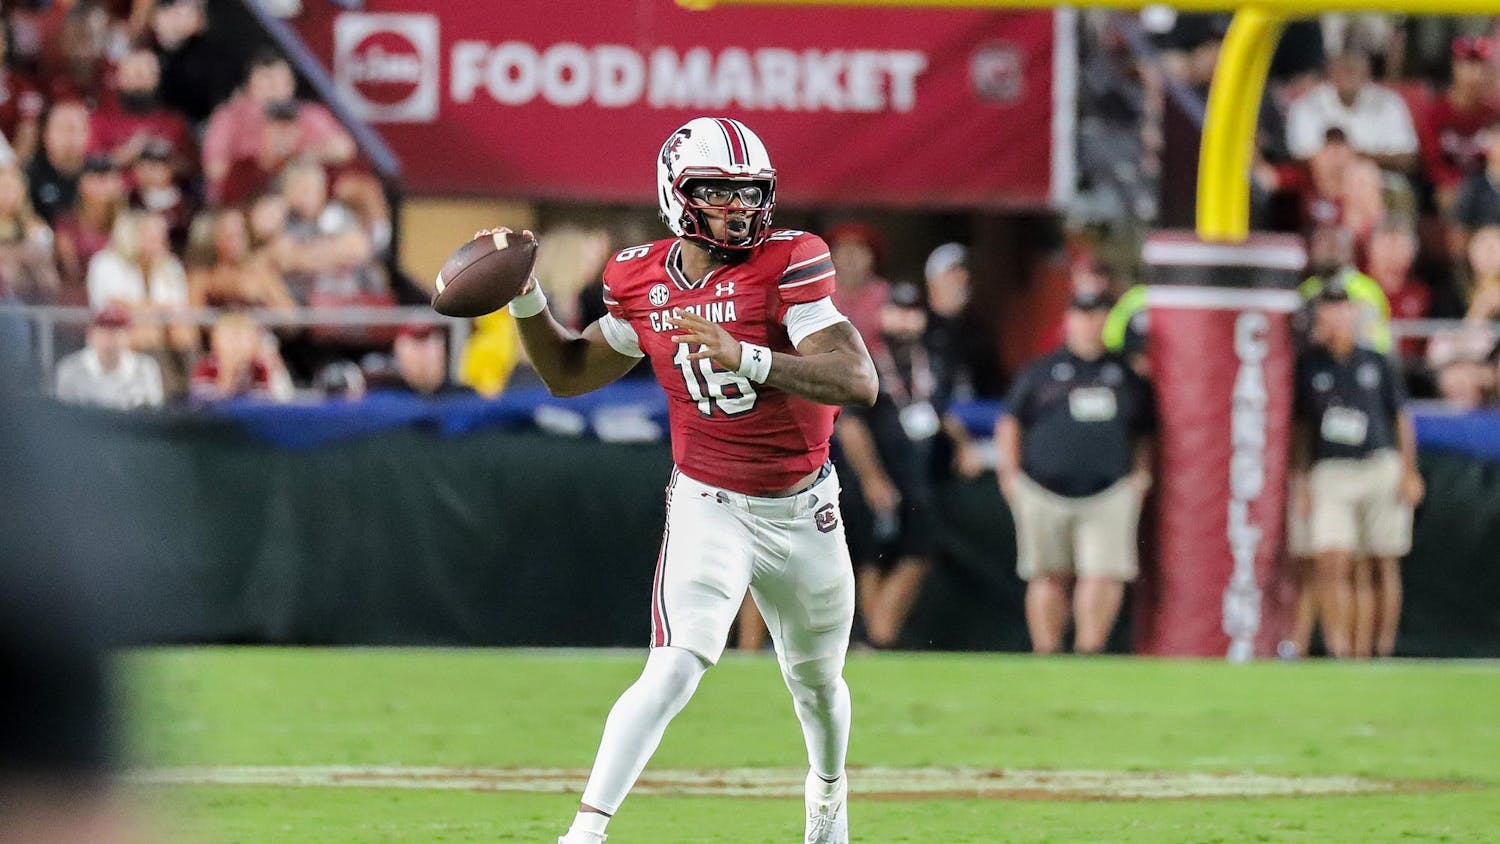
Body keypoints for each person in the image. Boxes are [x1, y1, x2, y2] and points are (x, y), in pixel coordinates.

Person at [504, 117, 876, 844]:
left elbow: (857, 380)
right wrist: (524, 300)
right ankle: (584, 832)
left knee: (818, 687)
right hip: (711, 502)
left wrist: (751, 357)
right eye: (718, 194)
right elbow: (570, 372)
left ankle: (828, 796)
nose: (738, 211)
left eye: (750, 195)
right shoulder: (637, 277)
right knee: (675, 663)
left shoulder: (791, 262)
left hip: (804, 507)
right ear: (677, 197)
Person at [995, 291, 1155, 655]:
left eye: (1098, 314)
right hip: (1042, 488)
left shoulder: (1127, 374)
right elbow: (1010, 423)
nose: (1090, 323)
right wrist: (1010, 475)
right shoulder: (1040, 371)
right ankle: (1047, 651)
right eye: (1083, 314)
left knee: (1103, 573)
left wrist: (1141, 478)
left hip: (1109, 491)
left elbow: (1146, 432)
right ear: (1069, 320)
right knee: (1046, 574)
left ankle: (1089, 651)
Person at [1292, 281, 1423, 659]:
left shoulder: (1376, 360)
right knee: (1333, 559)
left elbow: (1400, 418)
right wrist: (1301, 481)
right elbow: (1301, 429)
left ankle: (1378, 649)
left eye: (1343, 308)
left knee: (1378, 561)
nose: (1338, 317)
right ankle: (1340, 647)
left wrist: (1408, 470)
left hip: (1377, 464)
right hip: (1331, 468)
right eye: (1329, 310)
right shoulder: (1309, 364)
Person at [837, 282, 943, 649]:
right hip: (874, 476)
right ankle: (876, 637)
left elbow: (938, 413)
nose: (905, 320)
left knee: (916, 552)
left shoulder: (931, 362)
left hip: (917, 479)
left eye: (912, 312)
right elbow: (849, 424)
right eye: (897, 310)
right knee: (869, 557)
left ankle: (878, 637)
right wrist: (872, 479)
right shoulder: (867, 361)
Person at [201, 49, 355, 204]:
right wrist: (257, 161)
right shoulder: (229, 115)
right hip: (245, 196)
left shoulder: (308, 113)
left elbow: (344, 148)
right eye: (266, 80)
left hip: (298, 194)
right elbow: (214, 168)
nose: (273, 87)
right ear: (249, 85)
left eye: (280, 80)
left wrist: (300, 156)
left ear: (291, 84)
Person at [1285, 50, 1418, 172]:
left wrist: (1355, 158)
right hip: (1323, 185)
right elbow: (1300, 157)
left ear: (1367, 73)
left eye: (1355, 69)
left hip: (1386, 182)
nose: (1349, 73)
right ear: (1330, 72)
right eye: (1343, 68)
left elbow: (1407, 159)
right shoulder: (1306, 105)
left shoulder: (1390, 103)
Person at [1420, 37, 1499, 211]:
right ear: (1455, 67)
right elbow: (1432, 161)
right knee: (1448, 195)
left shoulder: (1494, 111)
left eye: (1480, 66)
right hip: (1447, 186)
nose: (1475, 73)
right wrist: (1454, 184)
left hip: (1487, 186)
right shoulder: (1435, 112)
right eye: (1468, 64)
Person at [53, 305, 163, 410]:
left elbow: (153, 413)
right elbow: (64, 416)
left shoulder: (145, 368)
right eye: (104, 332)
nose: (110, 340)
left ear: (129, 337)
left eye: (117, 333)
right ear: (90, 336)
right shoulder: (70, 368)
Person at [185, 207, 294, 310]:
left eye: (240, 235)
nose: (235, 242)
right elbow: (193, 320)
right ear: (216, 239)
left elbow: (291, 317)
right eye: (229, 236)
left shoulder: (263, 276)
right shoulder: (201, 278)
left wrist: (262, 298)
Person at [53, 152, 123, 297]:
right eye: (93, 177)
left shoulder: (126, 224)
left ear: (118, 183)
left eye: (106, 177)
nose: (100, 183)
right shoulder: (67, 224)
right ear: (81, 184)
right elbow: (71, 272)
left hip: (120, 298)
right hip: (77, 298)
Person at [189, 312, 293, 403]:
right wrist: (227, 375)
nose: (235, 346)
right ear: (214, 342)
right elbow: (204, 404)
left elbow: (274, 400)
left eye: (242, 339)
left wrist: (274, 367)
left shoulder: (258, 367)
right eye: (230, 339)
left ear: (255, 343)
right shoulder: (206, 366)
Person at [0, 161, 59, 304]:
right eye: (4, 188)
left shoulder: (36, 227)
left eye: (14, 188)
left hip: (31, 300)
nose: (9, 194)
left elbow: (50, 280)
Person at [26, 100, 91, 225]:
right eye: (62, 129)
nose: (69, 137)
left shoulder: (99, 174)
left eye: (75, 129)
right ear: (45, 134)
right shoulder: (28, 177)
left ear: (88, 134)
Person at [388, 323, 470, 396]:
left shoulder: (468, 402)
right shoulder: (385, 404)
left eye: (427, 343)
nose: (422, 356)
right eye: (415, 345)